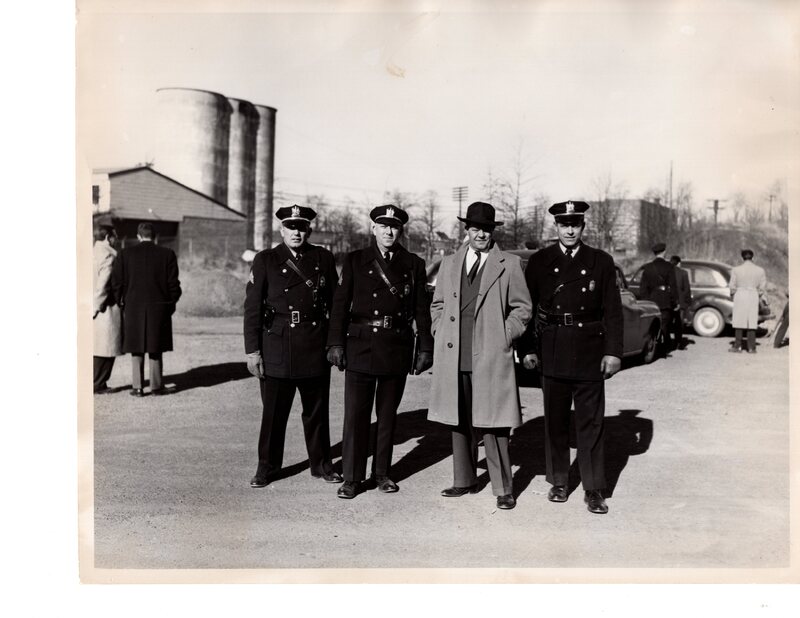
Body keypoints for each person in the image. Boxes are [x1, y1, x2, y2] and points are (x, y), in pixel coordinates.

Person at [519, 200, 623, 515]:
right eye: (564, 225)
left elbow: (613, 311)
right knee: (555, 421)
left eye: (574, 225)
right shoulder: (540, 261)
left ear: (582, 227)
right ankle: (559, 481)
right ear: (556, 227)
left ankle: (594, 489)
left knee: (591, 423)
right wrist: (526, 350)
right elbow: (526, 307)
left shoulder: (600, 261)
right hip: (552, 349)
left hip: (591, 350)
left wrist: (613, 352)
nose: (569, 230)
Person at [427, 202, 532, 510]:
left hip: (489, 354)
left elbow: (523, 309)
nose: (480, 234)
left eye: (486, 229)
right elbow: (437, 305)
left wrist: (505, 334)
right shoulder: (449, 263)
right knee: (458, 418)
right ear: (467, 231)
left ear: (492, 231)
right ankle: (464, 480)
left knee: (494, 424)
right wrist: (439, 330)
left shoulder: (508, 263)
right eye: (475, 229)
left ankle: (503, 488)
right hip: (454, 354)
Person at [326, 204, 433, 499]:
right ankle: (352, 477)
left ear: (401, 231)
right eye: (383, 225)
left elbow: (422, 310)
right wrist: (335, 343)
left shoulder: (413, 263)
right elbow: (339, 304)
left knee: (387, 416)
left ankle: (383, 473)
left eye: (394, 227)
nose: (388, 231)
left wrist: (425, 346)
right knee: (356, 416)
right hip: (360, 344)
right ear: (373, 228)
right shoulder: (355, 260)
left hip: (396, 347)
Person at [243, 205, 342, 488]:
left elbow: (335, 305)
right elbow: (252, 308)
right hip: (277, 347)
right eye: (291, 227)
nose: (296, 232)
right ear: (281, 230)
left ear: (308, 230)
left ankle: (322, 465)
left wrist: (335, 343)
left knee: (317, 413)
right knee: (273, 415)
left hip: (314, 344)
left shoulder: (322, 257)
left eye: (301, 227)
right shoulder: (266, 259)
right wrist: (253, 351)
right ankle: (267, 468)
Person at [112, 222, 182, 396]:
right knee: (155, 346)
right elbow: (174, 286)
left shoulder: (125, 254)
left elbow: (117, 283)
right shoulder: (167, 254)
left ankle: (137, 387)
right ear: (155, 236)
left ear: (138, 236)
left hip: (133, 306)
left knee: (136, 346)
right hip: (159, 307)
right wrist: (170, 304)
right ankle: (157, 386)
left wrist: (121, 302)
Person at [93, 224, 122, 393]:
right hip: (104, 308)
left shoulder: (91, 252)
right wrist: (96, 307)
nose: (116, 240)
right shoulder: (108, 256)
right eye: (114, 236)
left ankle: (97, 382)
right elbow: (103, 285)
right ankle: (98, 383)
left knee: (97, 346)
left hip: (90, 304)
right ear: (107, 237)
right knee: (107, 347)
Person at [640, 242, 679, 351]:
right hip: (665, 300)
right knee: (664, 324)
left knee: (652, 324)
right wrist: (675, 301)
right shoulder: (669, 267)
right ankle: (663, 348)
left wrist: (646, 301)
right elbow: (673, 286)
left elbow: (643, 287)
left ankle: (653, 347)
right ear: (664, 252)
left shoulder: (647, 267)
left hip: (652, 300)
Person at [729, 249, 767, 354]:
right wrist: (757, 294)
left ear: (742, 258)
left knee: (739, 320)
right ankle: (751, 348)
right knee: (752, 321)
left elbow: (732, 286)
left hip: (740, 294)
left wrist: (733, 294)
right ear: (752, 257)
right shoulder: (760, 270)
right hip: (753, 295)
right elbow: (762, 287)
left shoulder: (736, 269)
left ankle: (737, 346)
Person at [669, 255, 692, 349]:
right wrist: (687, 302)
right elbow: (686, 289)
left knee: (669, 322)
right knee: (679, 323)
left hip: (669, 302)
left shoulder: (667, 273)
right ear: (679, 263)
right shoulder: (683, 273)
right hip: (680, 302)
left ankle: (668, 343)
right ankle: (678, 343)